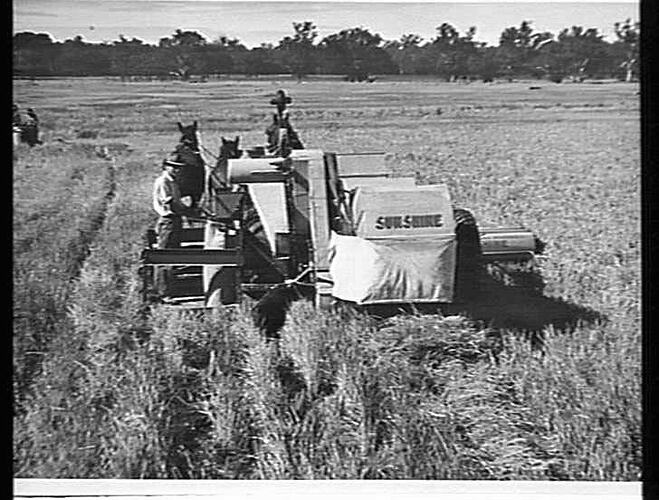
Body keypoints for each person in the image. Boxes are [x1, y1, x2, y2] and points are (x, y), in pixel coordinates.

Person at [152, 156, 197, 301]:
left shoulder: (173, 182)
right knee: (166, 257)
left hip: (175, 221)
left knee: (172, 255)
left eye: (179, 168)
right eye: (174, 167)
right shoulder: (163, 181)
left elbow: (178, 203)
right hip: (168, 221)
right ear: (165, 166)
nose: (177, 170)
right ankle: (164, 293)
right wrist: (190, 213)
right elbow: (172, 205)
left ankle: (168, 289)